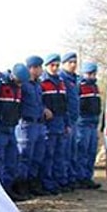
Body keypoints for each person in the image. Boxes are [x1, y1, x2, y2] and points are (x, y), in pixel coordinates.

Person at [0, 64, 28, 201]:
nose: (20, 84)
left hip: (12, 127)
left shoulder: (18, 88)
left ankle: (7, 189)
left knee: (12, 159)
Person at [17, 56, 49, 197]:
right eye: (39, 67)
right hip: (26, 124)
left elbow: (38, 102)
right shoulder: (23, 84)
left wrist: (44, 109)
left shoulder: (37, 85)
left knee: (37, 156)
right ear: (32, 68)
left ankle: (32, 183)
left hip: (38, 123)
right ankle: (21, 184)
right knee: (25, 156)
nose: (41, 70)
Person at [39, 54, 69, 195]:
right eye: (52, 65)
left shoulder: (61, 83)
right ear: (46, 66)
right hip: (48, 125)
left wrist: (67, 124)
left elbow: (65, 105)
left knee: (59, 155)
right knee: (48, 155)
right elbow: (37, 102)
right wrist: (44, 109)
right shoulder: (42, 83)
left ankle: (58, 181)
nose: (55, 68)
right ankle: (47, 183)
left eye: (57, 65)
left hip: (60, 123)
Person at [75, 62, 103, 189]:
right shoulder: (79, 86)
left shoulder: (95, 87)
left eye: (93, 74)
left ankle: (88, 176)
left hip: (93, 122)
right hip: (83, 122)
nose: (91, 76)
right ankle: (80, 177)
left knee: (91, 151)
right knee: (82, 151)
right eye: (89, 74)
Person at [60, 52, 81, 190]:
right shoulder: (62, 79)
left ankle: (72, 178)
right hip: (65, 121)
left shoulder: (75, 80)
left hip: (74, 120)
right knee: (64, 153)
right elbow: (64, 103)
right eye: (70, 62)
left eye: (75, 62)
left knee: (73, 152)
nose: (73, 65)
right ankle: (64, 179)